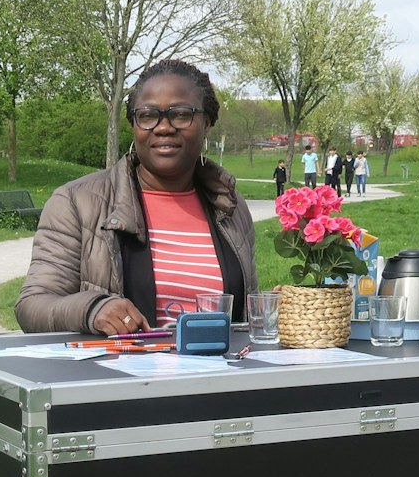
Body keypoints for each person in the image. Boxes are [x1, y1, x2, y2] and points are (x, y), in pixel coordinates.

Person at [16, 59, 256, 333]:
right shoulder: (76, 202)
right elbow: (33, 306)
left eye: (180, 114)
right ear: (134, 123)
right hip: (117, 373)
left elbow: (248, 317)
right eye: (147, 115)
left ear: (208, 123)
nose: (163, 127)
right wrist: (92, 309)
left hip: (216, 374)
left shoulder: (230, 207)